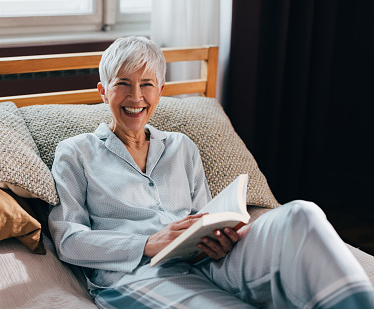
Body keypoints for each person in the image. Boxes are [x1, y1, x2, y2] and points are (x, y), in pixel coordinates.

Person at [48, 36, 374, 308]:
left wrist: (214, 240)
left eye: (146, 84)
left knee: (302, 214)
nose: (136, 97)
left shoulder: (182, 147)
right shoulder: (75, 152)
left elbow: (202, 215)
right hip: (137, 275)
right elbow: (69, 241)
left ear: (160, 90)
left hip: (207, 264)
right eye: (123, 84)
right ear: (103, 91)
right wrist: (148, 243)